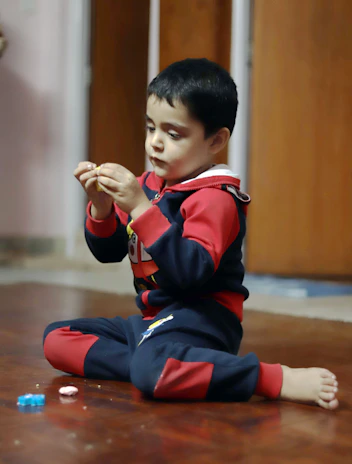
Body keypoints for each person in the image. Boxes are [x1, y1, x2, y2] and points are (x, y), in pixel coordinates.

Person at [43, 58, 338, 409]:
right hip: (155, 321)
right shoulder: (148, 186)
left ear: (216, 141)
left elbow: (191, 273)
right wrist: (101, 206)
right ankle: (159, 365)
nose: (155, 143)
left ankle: (272, 378)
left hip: (205, 321)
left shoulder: (215, 198)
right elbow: (108, 251)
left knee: (152, 368)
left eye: (173, 134)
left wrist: (141, 209)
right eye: (151, 128)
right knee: (58, 339)